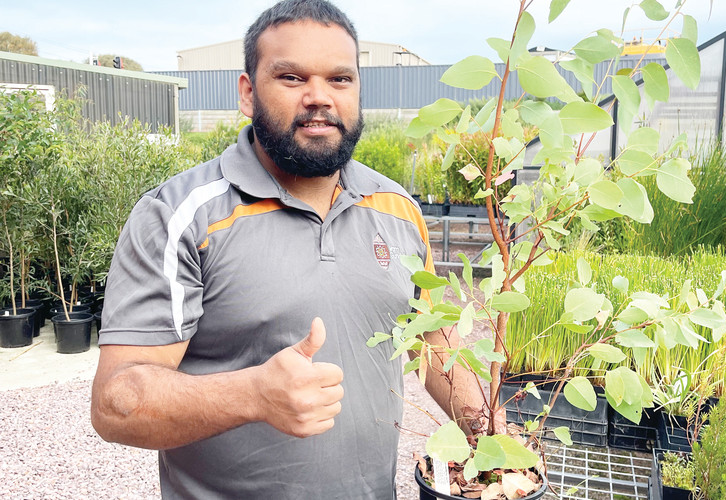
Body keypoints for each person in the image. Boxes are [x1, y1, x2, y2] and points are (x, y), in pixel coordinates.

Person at [91, 1, 483, 498]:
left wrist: (490, 431)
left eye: (340, 79)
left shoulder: (397, 208)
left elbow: (437, 342)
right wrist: (252, 395)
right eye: (292, 78)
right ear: (248, 93)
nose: (319, 97)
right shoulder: (180, 216)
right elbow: (114, 404)